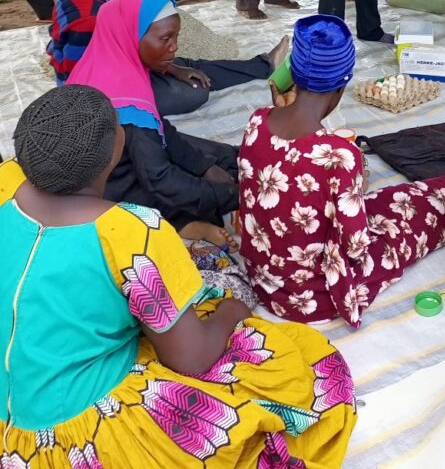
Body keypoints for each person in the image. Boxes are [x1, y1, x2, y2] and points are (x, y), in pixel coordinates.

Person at [0, 85, 355, 468]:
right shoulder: (132, 233)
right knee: (297, 363)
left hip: (14, 406)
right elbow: (192, 359)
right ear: (116, 148)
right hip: (76, 437)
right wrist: (231, 313)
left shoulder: (5, 182)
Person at [239, 13, 445, 328]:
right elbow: (356, 245)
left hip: (266, 282)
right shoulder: (339, 155)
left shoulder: (257, 121)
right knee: (420, 215)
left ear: (294, 71)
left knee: (394, 197)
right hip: (314, 297)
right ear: (343, 83)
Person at [67, 0, 269, 248]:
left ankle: (192, 209)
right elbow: (159, 179)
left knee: (225, 157)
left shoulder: (103, 63)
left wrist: (204, 165)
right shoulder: (128, 105)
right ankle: (182, 222)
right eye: (165, 39)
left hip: (122, 160)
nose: (174, 48)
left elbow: (161, 129)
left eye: (176, 37)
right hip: (112, 188)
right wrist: (233, 196)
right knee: (189, 188)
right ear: (131, 34)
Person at [47, 0, 284, 116]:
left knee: (187, 65)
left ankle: (263, 64)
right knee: (194, 91)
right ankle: (262, 66)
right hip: (102, 95)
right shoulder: (88, 21)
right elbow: (82, 73)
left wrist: (169, 66)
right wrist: (161, 68)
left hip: (122, 66)